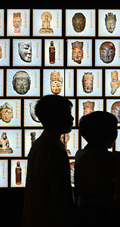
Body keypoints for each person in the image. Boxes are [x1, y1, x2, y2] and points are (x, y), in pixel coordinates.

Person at [22, 95, 76, 227]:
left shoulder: (40, 144)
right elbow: (60, 196)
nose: (72, 118)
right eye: (68, 114)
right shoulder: (54, 148)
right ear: (58, 118)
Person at [75, 111, 120, 227]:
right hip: (108, 211)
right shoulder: (114, 158)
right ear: (111, 135)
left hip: (83, 210)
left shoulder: (79, 155)